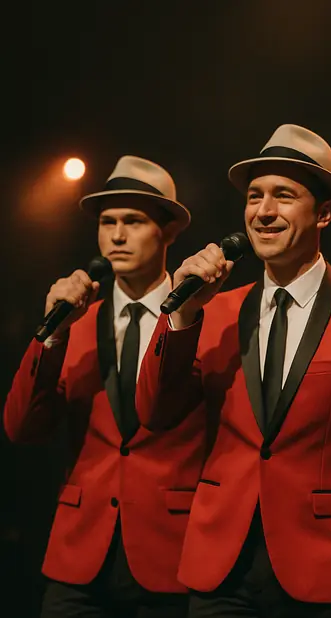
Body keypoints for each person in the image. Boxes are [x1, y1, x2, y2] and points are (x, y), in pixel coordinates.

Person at [135, 125, 331, 618]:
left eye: (283, 196)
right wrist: (179, 316)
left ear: (324, 213)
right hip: (220, 568)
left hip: (326, 570)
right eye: (254, 197)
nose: (263, 212)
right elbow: (155, 412)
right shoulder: (216, 314)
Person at [4, 156, 195, 617]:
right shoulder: (77, 323)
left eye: (134, 220)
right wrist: (51, 333)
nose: (117, 235)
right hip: (79, 554)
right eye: (107, 222)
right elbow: (21, 427)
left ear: (168, 231)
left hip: (171, 552)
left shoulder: (196, 318)